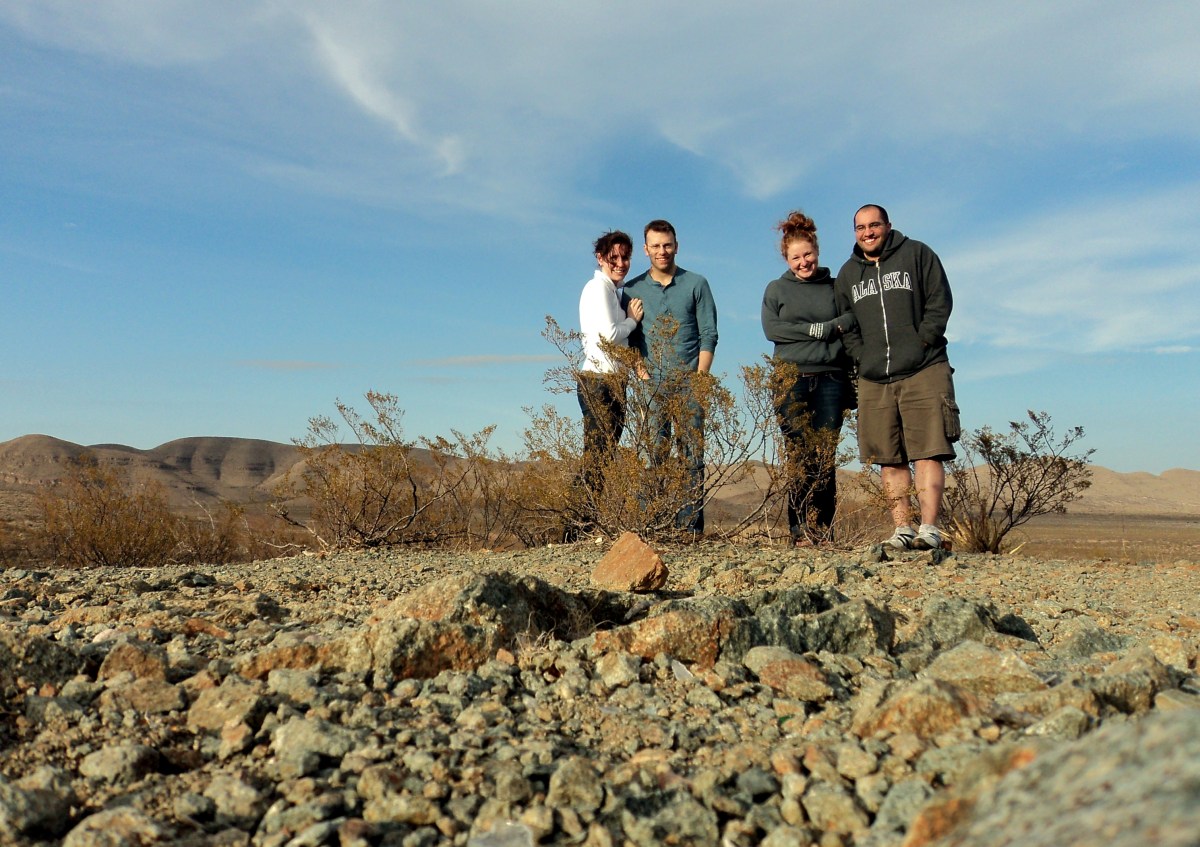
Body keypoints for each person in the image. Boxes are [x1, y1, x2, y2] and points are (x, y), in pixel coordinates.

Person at [833, 204, 960, 551]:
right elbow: (847, 323)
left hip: (924, 368)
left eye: (874, 225)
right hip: (875, 376)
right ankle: (902, 528)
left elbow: (940, 300)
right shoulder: (848, 274)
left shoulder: (917, 255)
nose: (868, 232)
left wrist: (923, 341)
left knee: (929, 450)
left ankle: (929, 529)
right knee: (889, 456)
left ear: (888, 226)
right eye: (860, 227)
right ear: (854, 232)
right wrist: (862, 356)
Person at [761, 211, 857, 547]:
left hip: (831, 379)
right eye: (796, 257)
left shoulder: (834, 287)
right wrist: (815, 330)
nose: (804, 262)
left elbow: (851, 316)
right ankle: (798, 530)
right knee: (798, 456)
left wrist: (832, 327)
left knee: (825, 457)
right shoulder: (776, 289)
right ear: (786, 258)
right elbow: (774, 329)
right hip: (791, 381)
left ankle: (825, 530)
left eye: (808, 255)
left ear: (817, 250)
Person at [622, 219, 718, 535]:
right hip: (652, 384)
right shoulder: (632, 289)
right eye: (656, 246)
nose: (662, 251)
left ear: (676, 245)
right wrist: (640, 370)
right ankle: (650, 527)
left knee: (692, 457)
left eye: (667, 245)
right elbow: (629, 338)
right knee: (651, 456)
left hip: (690, 381)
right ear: (646, 249)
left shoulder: (696, 284)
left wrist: (701, 378)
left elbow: (708, 333)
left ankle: (690, 530)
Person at [575, 230, 643, 519]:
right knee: (596, 457)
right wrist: (632, 320)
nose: (620, 263)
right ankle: (575, 525)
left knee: (601, 456)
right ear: (600, 258)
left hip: (611, 380)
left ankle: (584, 522)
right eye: (613, 257)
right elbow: (609, 335)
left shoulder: (610, 291)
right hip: (599, 382)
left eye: (625, 257)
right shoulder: (598, 288)